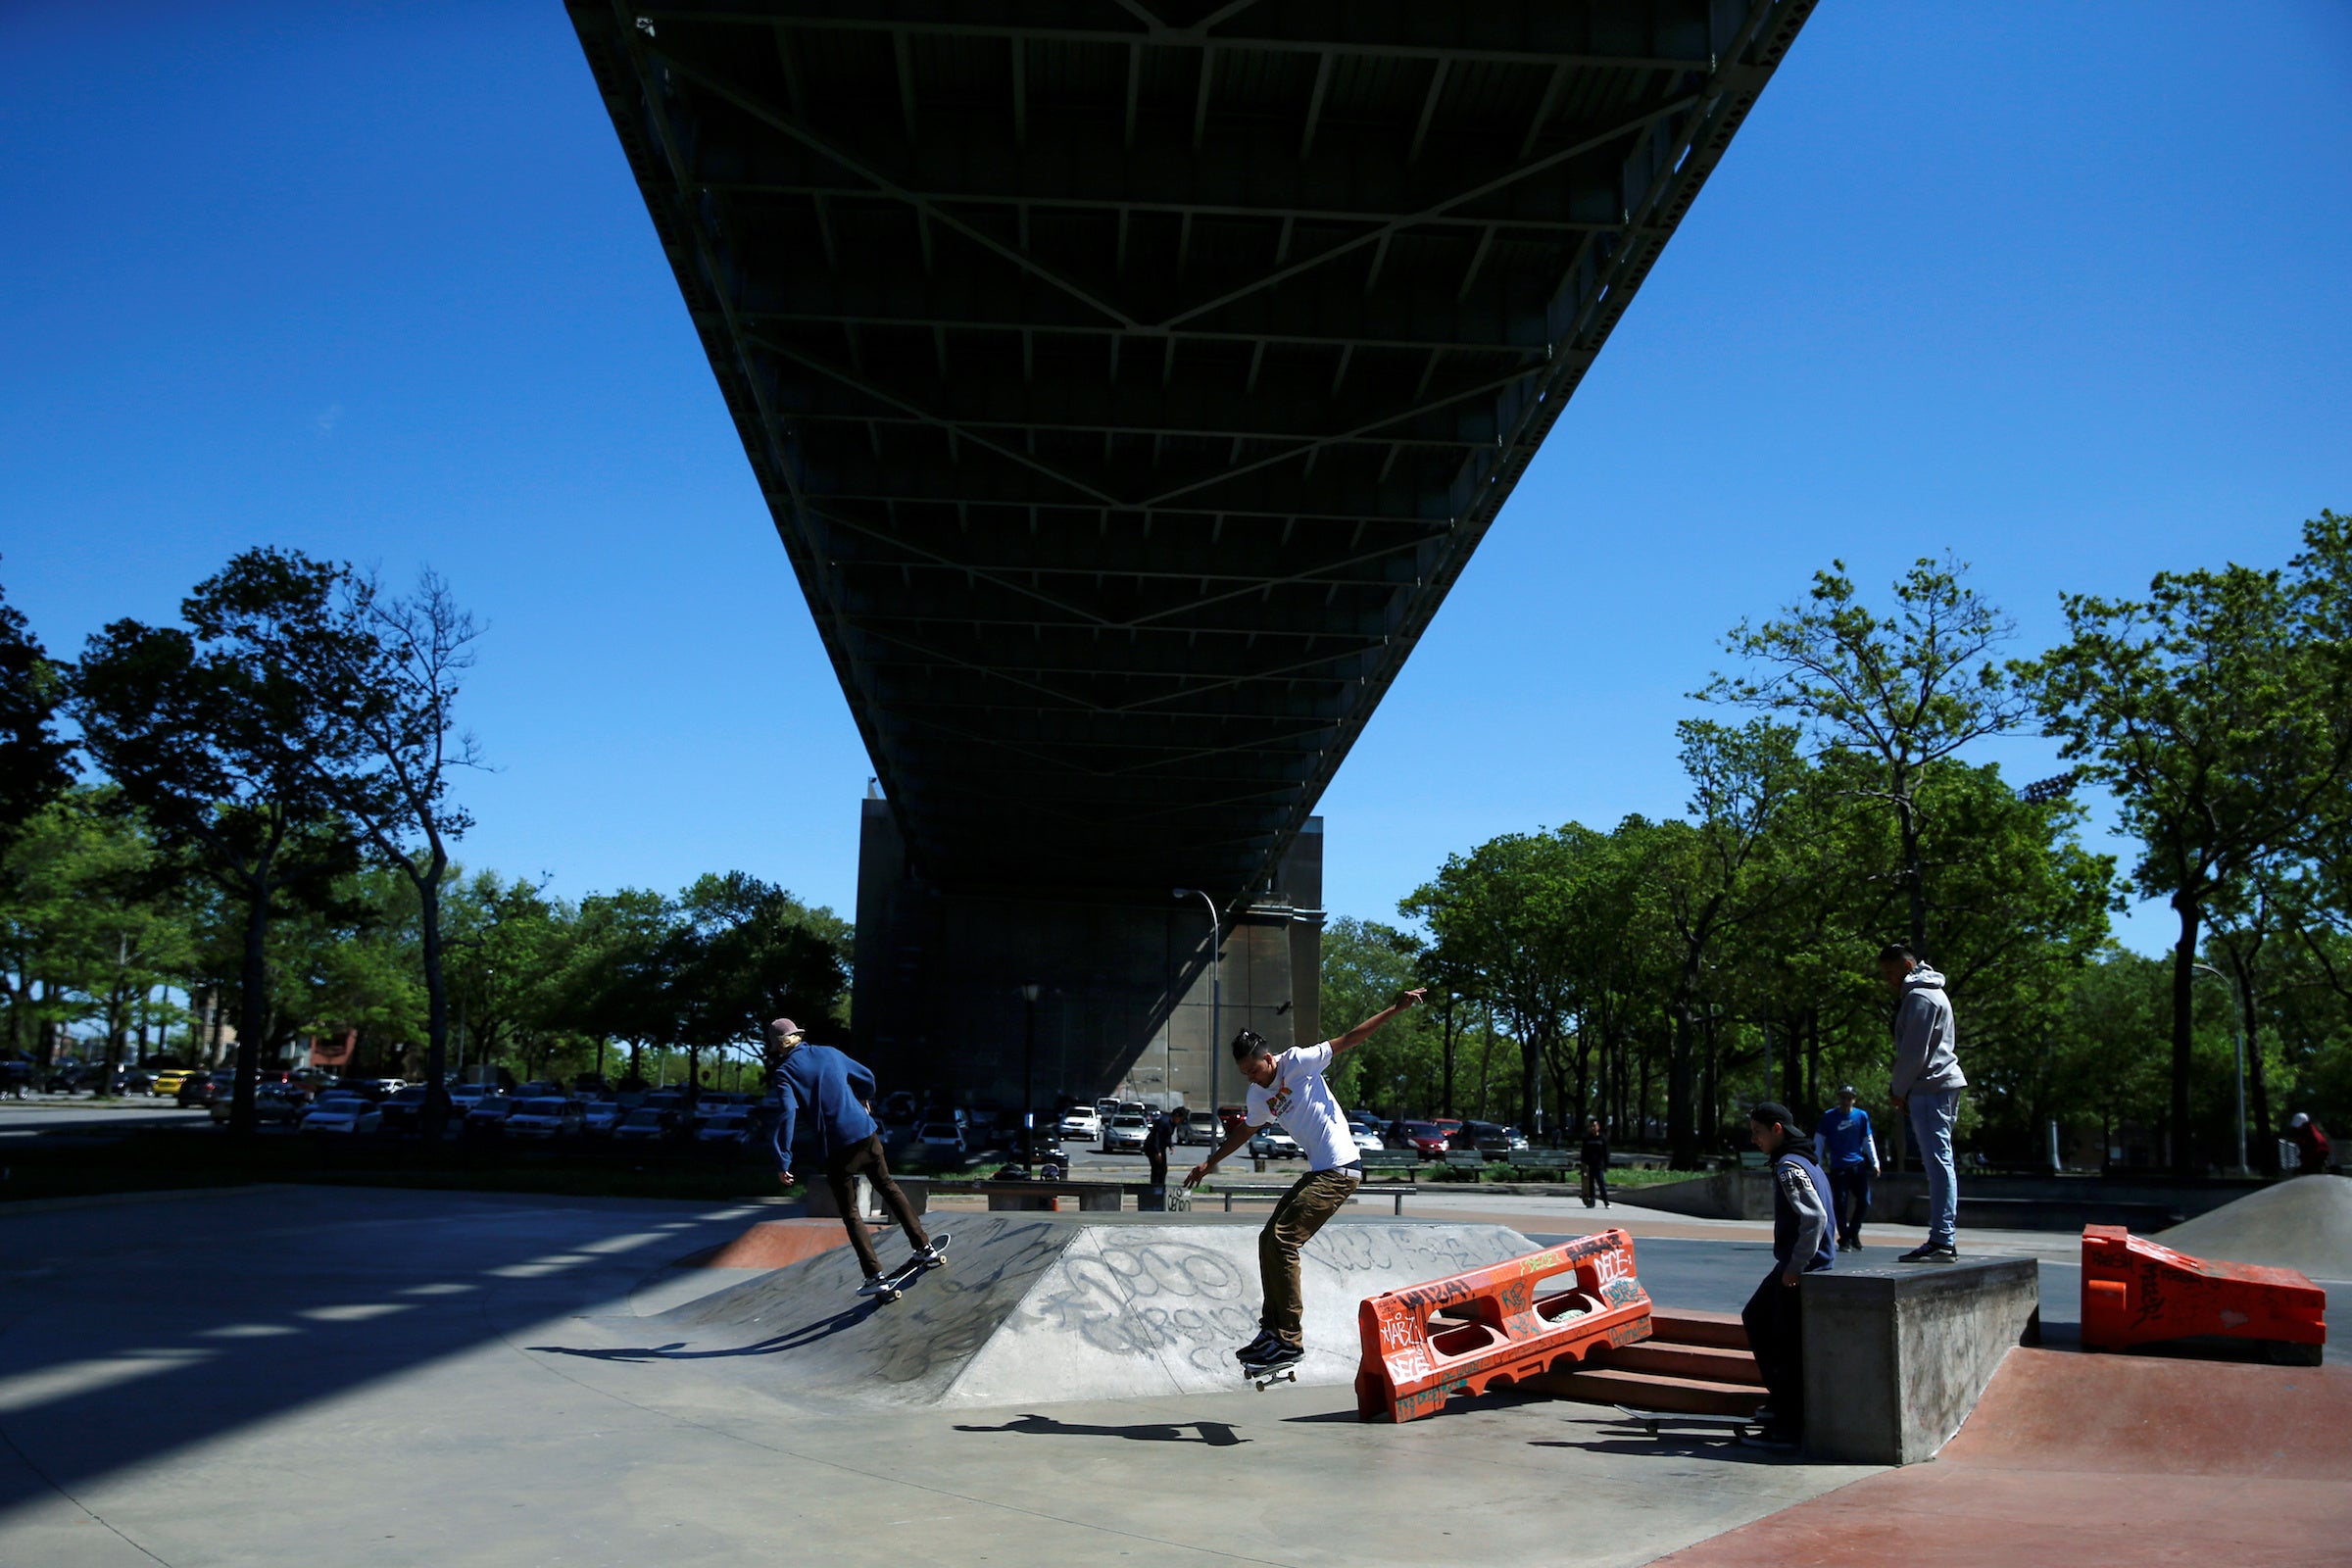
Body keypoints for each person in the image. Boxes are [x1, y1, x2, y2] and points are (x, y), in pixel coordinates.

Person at [1183, 988, 1426, 1375]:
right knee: (1268, 1239)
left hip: (1342, 1167)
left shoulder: (1298, 1061)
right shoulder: (1257, 1095)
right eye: (1245, 1075)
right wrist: (1210, 1162)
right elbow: (1246, 1130)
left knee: (1283, 1240)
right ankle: (1272, 1331)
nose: (1253, 1079)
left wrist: (1394, 1010)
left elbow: (1350, 1039)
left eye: (1255, 1070)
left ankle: (1288, 1338)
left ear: (1267, 1058)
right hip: (1320, 1171)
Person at [766, 1017, 943, 1295]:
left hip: (837, 1147)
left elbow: (788, 1114)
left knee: (850, 1213)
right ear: (799, 1035)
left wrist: (783, 1159)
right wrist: (864, 1098)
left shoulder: (785, 1073)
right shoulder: (829, 1052)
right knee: (888, 1186)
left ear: (778, 1046)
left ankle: (875, 1275)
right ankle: (924, 1247)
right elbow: (867, 1076)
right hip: (865, 1132)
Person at [1741, 1101, 1835, 1447]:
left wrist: (1796, 1266)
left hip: (1801, 1266)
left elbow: (1815, 1218)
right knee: (1763, 1321)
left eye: (1758, 1132)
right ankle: (1783, 1405)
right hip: (1806, 1261)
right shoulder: (1808, 1158)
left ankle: (1788, 1418)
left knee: (1777, 1336)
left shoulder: (1788, 1166)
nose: (1755, 1140)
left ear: (1777, 1129)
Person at [1881, 943, 1964, 1262]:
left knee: (1938, 1162)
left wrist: (1898, 1089)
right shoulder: (1931, 993)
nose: (1888, 980)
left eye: (1890, 973)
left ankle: (1943, 1239)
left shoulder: (1919, 998)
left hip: (1931, 1087)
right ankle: (1943, 1237)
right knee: (1939, 1162)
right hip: (1936, 1086)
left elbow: (1913, 1053)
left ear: (1907, 965)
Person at [1814, 1085, 1881, 1251]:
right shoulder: (1829, 1117)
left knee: (1865, 1200)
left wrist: (1875, 1162)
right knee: (1841, 1204)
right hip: (1839, 1167)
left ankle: (1852, 1232)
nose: (1846, 1101)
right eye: (1843, 1097)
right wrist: (1817, 1164)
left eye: (1849, 1098)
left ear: (1854, 1099)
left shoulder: (1861, 1116)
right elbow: (1819, 1141)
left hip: (1857, 1164)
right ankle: (1845, 1238)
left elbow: (1867, 1139)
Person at [2285, 1112, 2332, 1176]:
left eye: (2299, 1126)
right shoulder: (2303, 1134)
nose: (2298, 1128)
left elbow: (2314, 1154)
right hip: (2309, 1164)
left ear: (2305, 1124)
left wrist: (2303, 1168)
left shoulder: (2313, 1136)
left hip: (2317, 1165)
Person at [1579, 1118, 1612, 1209]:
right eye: (1591, 1126)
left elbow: (1606, 1152)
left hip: (1599, 1164)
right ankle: (1592, 1201)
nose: (1593, 1128)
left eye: (1595, 1126)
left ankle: (1606, 1201)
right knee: (1590, 1184)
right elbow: (1583, 1152)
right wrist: (1583, 1163)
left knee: (1601, 1182)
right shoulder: (1587, 1138)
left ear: (1598, 1127)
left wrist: (1606, 1164)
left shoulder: (1603, 1138)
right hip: (1590, 1164)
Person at [1141, 1105, 1174, 1193]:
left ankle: (1160, 1187)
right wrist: (1157, 1151)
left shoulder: (1172, 1123)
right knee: (1157, 1168)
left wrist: (1171, 1145)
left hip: (1160, 1147)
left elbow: (1167, 1136)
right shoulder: (1164, 1122)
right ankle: (1154, 1188)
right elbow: (1157, 1137)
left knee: (1163, 1168)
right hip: (1152, 1147)